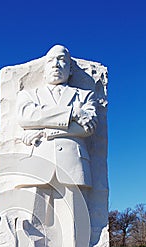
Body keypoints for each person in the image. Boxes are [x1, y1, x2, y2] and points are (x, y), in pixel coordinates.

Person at [17, 44, 98, 188]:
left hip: (73, 164)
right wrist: (73, 113)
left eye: (62, 60)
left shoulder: (86, 95)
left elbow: (87, 128)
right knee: (33, 209)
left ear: (71, 69)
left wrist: (44, 132)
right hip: (36, 162)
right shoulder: (28, 95)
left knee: (74, 210)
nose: (56, 65)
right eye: (50, 61)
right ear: (44, 69)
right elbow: (26, 117)